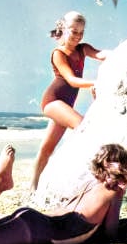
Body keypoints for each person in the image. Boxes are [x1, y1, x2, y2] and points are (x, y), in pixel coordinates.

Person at [0, 143, 127, 244]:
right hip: (36, 229)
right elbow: (111, 235)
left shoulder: (90, 186)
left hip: (34, 218)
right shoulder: (115, 194)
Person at [31, 11, 109, 191]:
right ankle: (83, 176)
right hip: (53, 101)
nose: (78, 36)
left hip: (66, 105)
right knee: (82, 127)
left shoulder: (83, 49)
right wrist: (98, 82)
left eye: (81, 32)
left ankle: (33, 187)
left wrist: (120, 53)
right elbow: (72, 80)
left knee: (47, 148)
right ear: (63, 30)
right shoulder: (58, 53)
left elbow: (100, 54)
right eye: (74, 32)